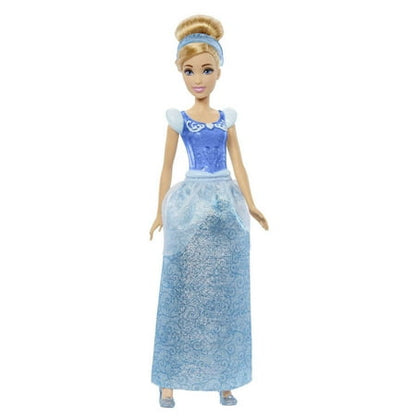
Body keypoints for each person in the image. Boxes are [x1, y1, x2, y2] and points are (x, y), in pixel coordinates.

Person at [149, 15, 268, 408]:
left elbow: (240, 165)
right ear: (180, 72)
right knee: (181, 291)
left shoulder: (226, 119)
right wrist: (160, 211)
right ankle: (168, 379)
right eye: (189, 71)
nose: (198, 79)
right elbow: (166, 168)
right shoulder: (178, 120)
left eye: (206, 70)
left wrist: (251, 204)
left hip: (226, 210)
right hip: (189, 209)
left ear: (218, 71)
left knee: (225, 294)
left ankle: (225, 377)